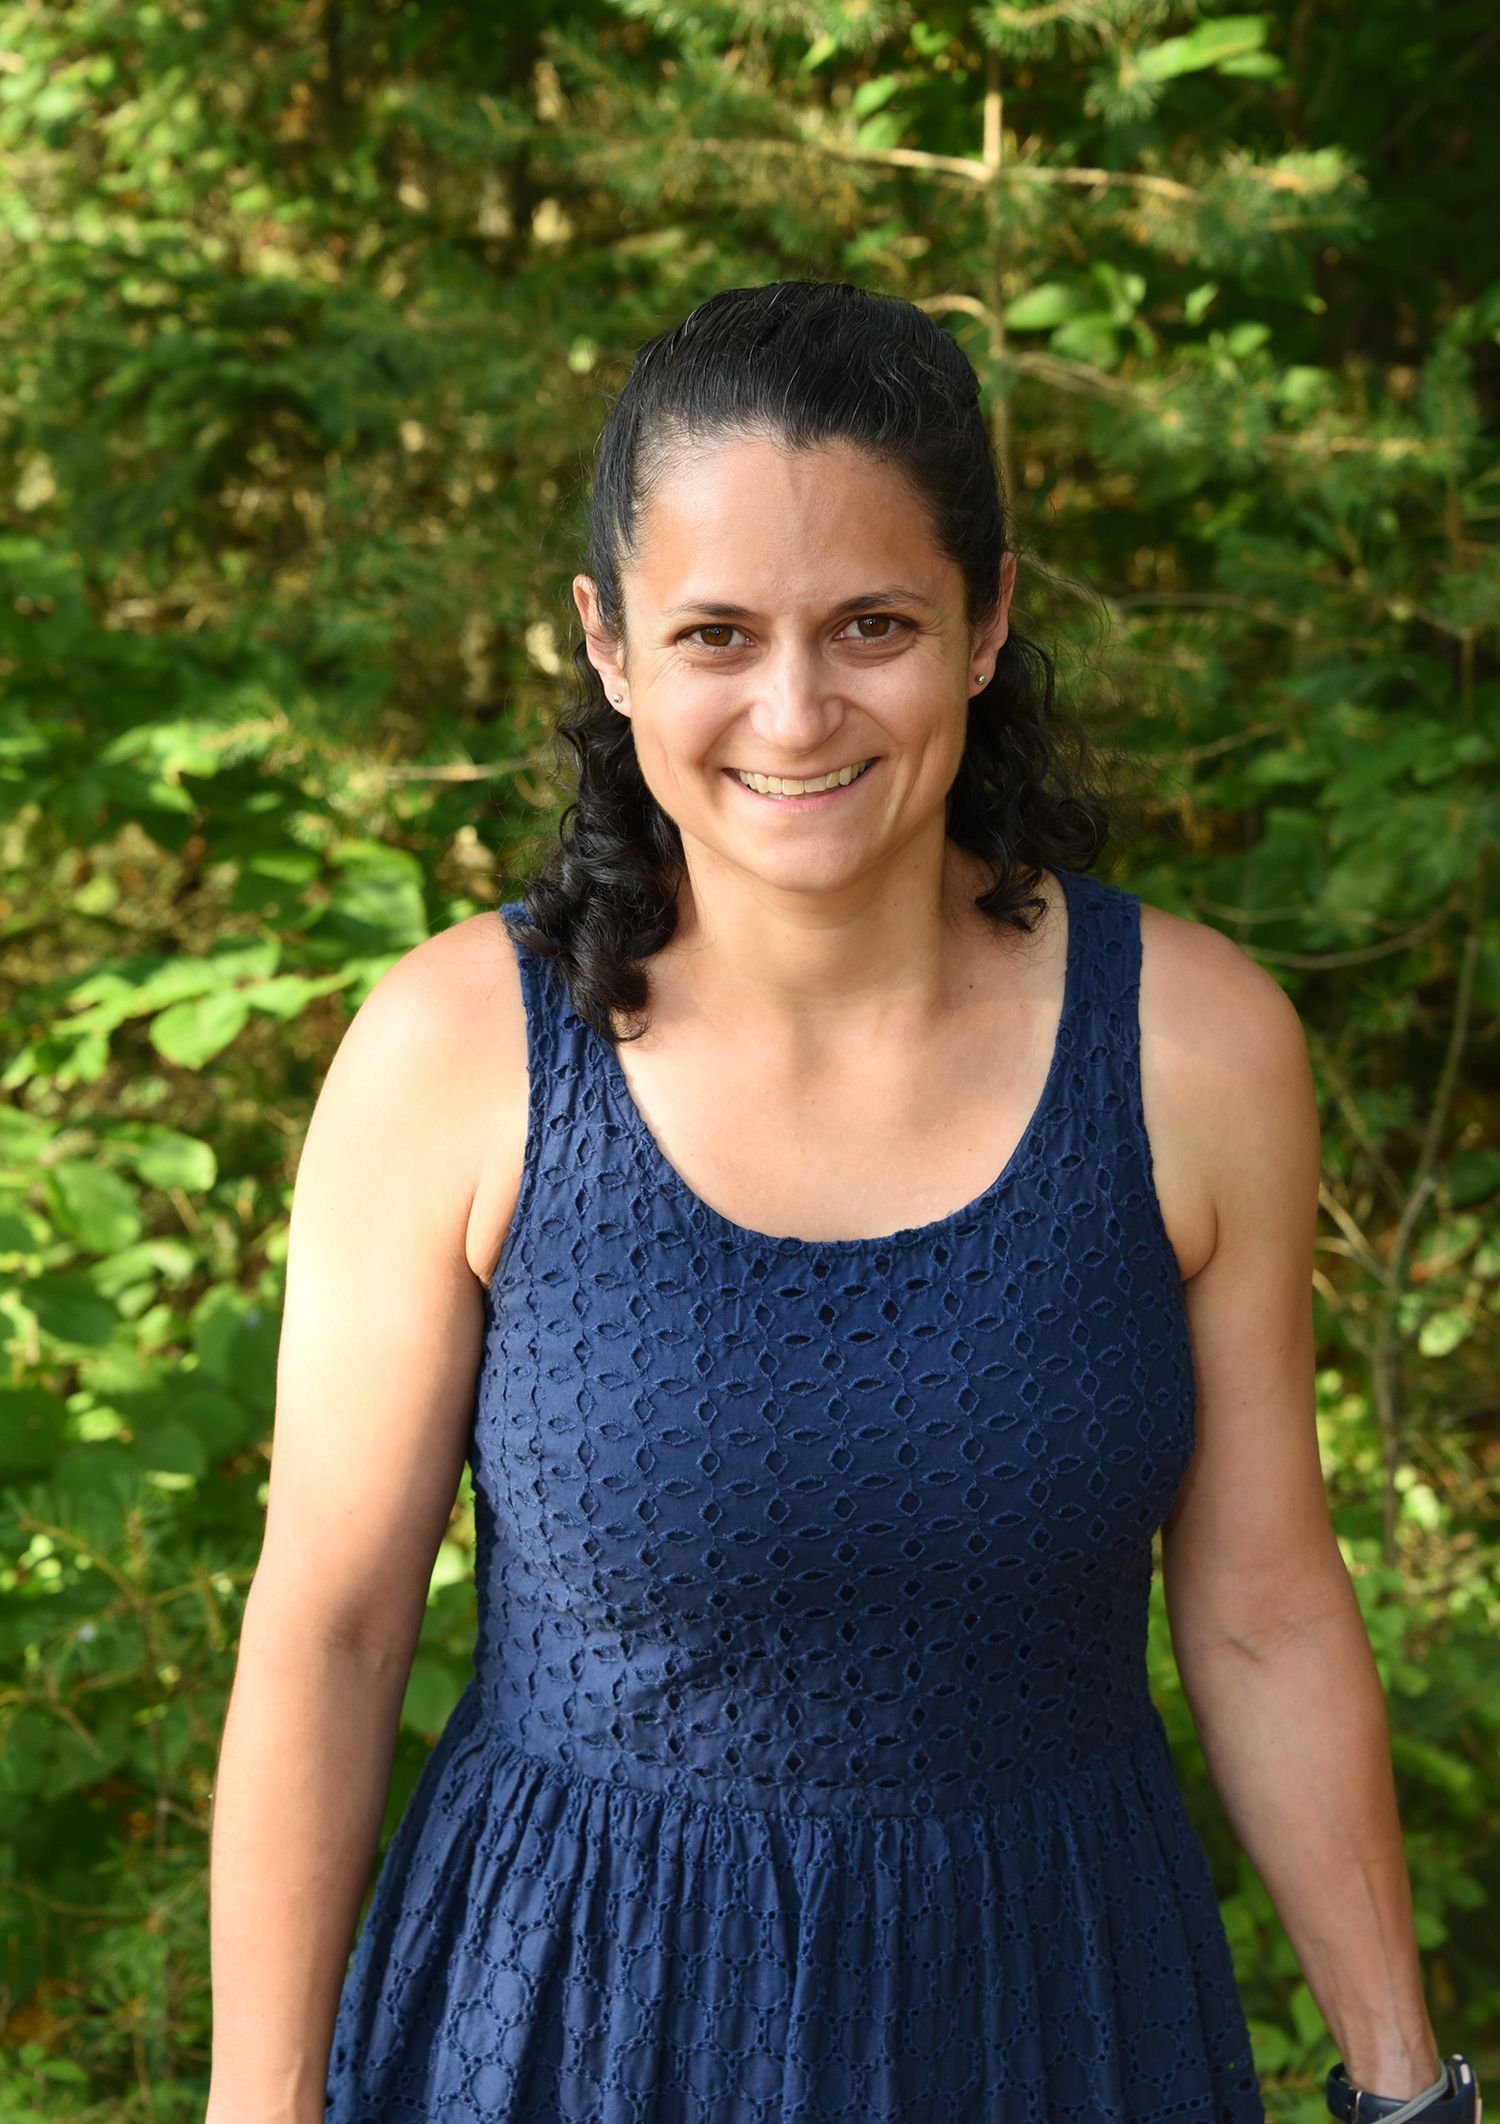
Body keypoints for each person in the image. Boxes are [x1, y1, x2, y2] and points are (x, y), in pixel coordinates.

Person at [205, 279, 1461, 2124]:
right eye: (716, 631)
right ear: (610, 645)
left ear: (989, 620)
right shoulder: (457, 1053)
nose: (794, 711)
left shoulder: (1192, 1049)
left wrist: (1406, 2091)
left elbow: (1266, 1605)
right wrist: (260, 2106)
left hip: (1053, 2017)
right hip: (572, 2025)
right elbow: (328, 1627)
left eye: (874, 623)